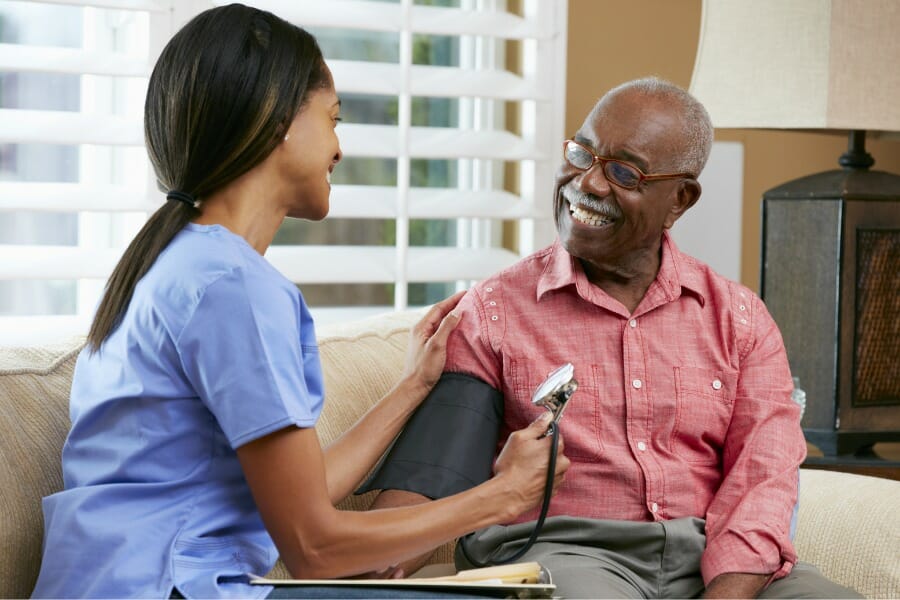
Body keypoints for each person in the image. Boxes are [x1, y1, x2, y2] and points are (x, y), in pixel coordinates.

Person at [29, 5, 570, 599]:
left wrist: (412, 385)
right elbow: (313, 548)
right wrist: (499, 497)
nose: (339, 148)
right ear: (276, 120)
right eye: (332, 119)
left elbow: (305, 495)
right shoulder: (234, 289)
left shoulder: (175, 264)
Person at [364, 77, 861, 599]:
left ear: (680, 200)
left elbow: (763, 481)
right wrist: (374, 555)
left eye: (624, 171)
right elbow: (428, 487)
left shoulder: (739, 319)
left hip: (713, 561)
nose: (590, 184)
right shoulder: (493, 313)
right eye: (582, 153)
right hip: (567, 557)